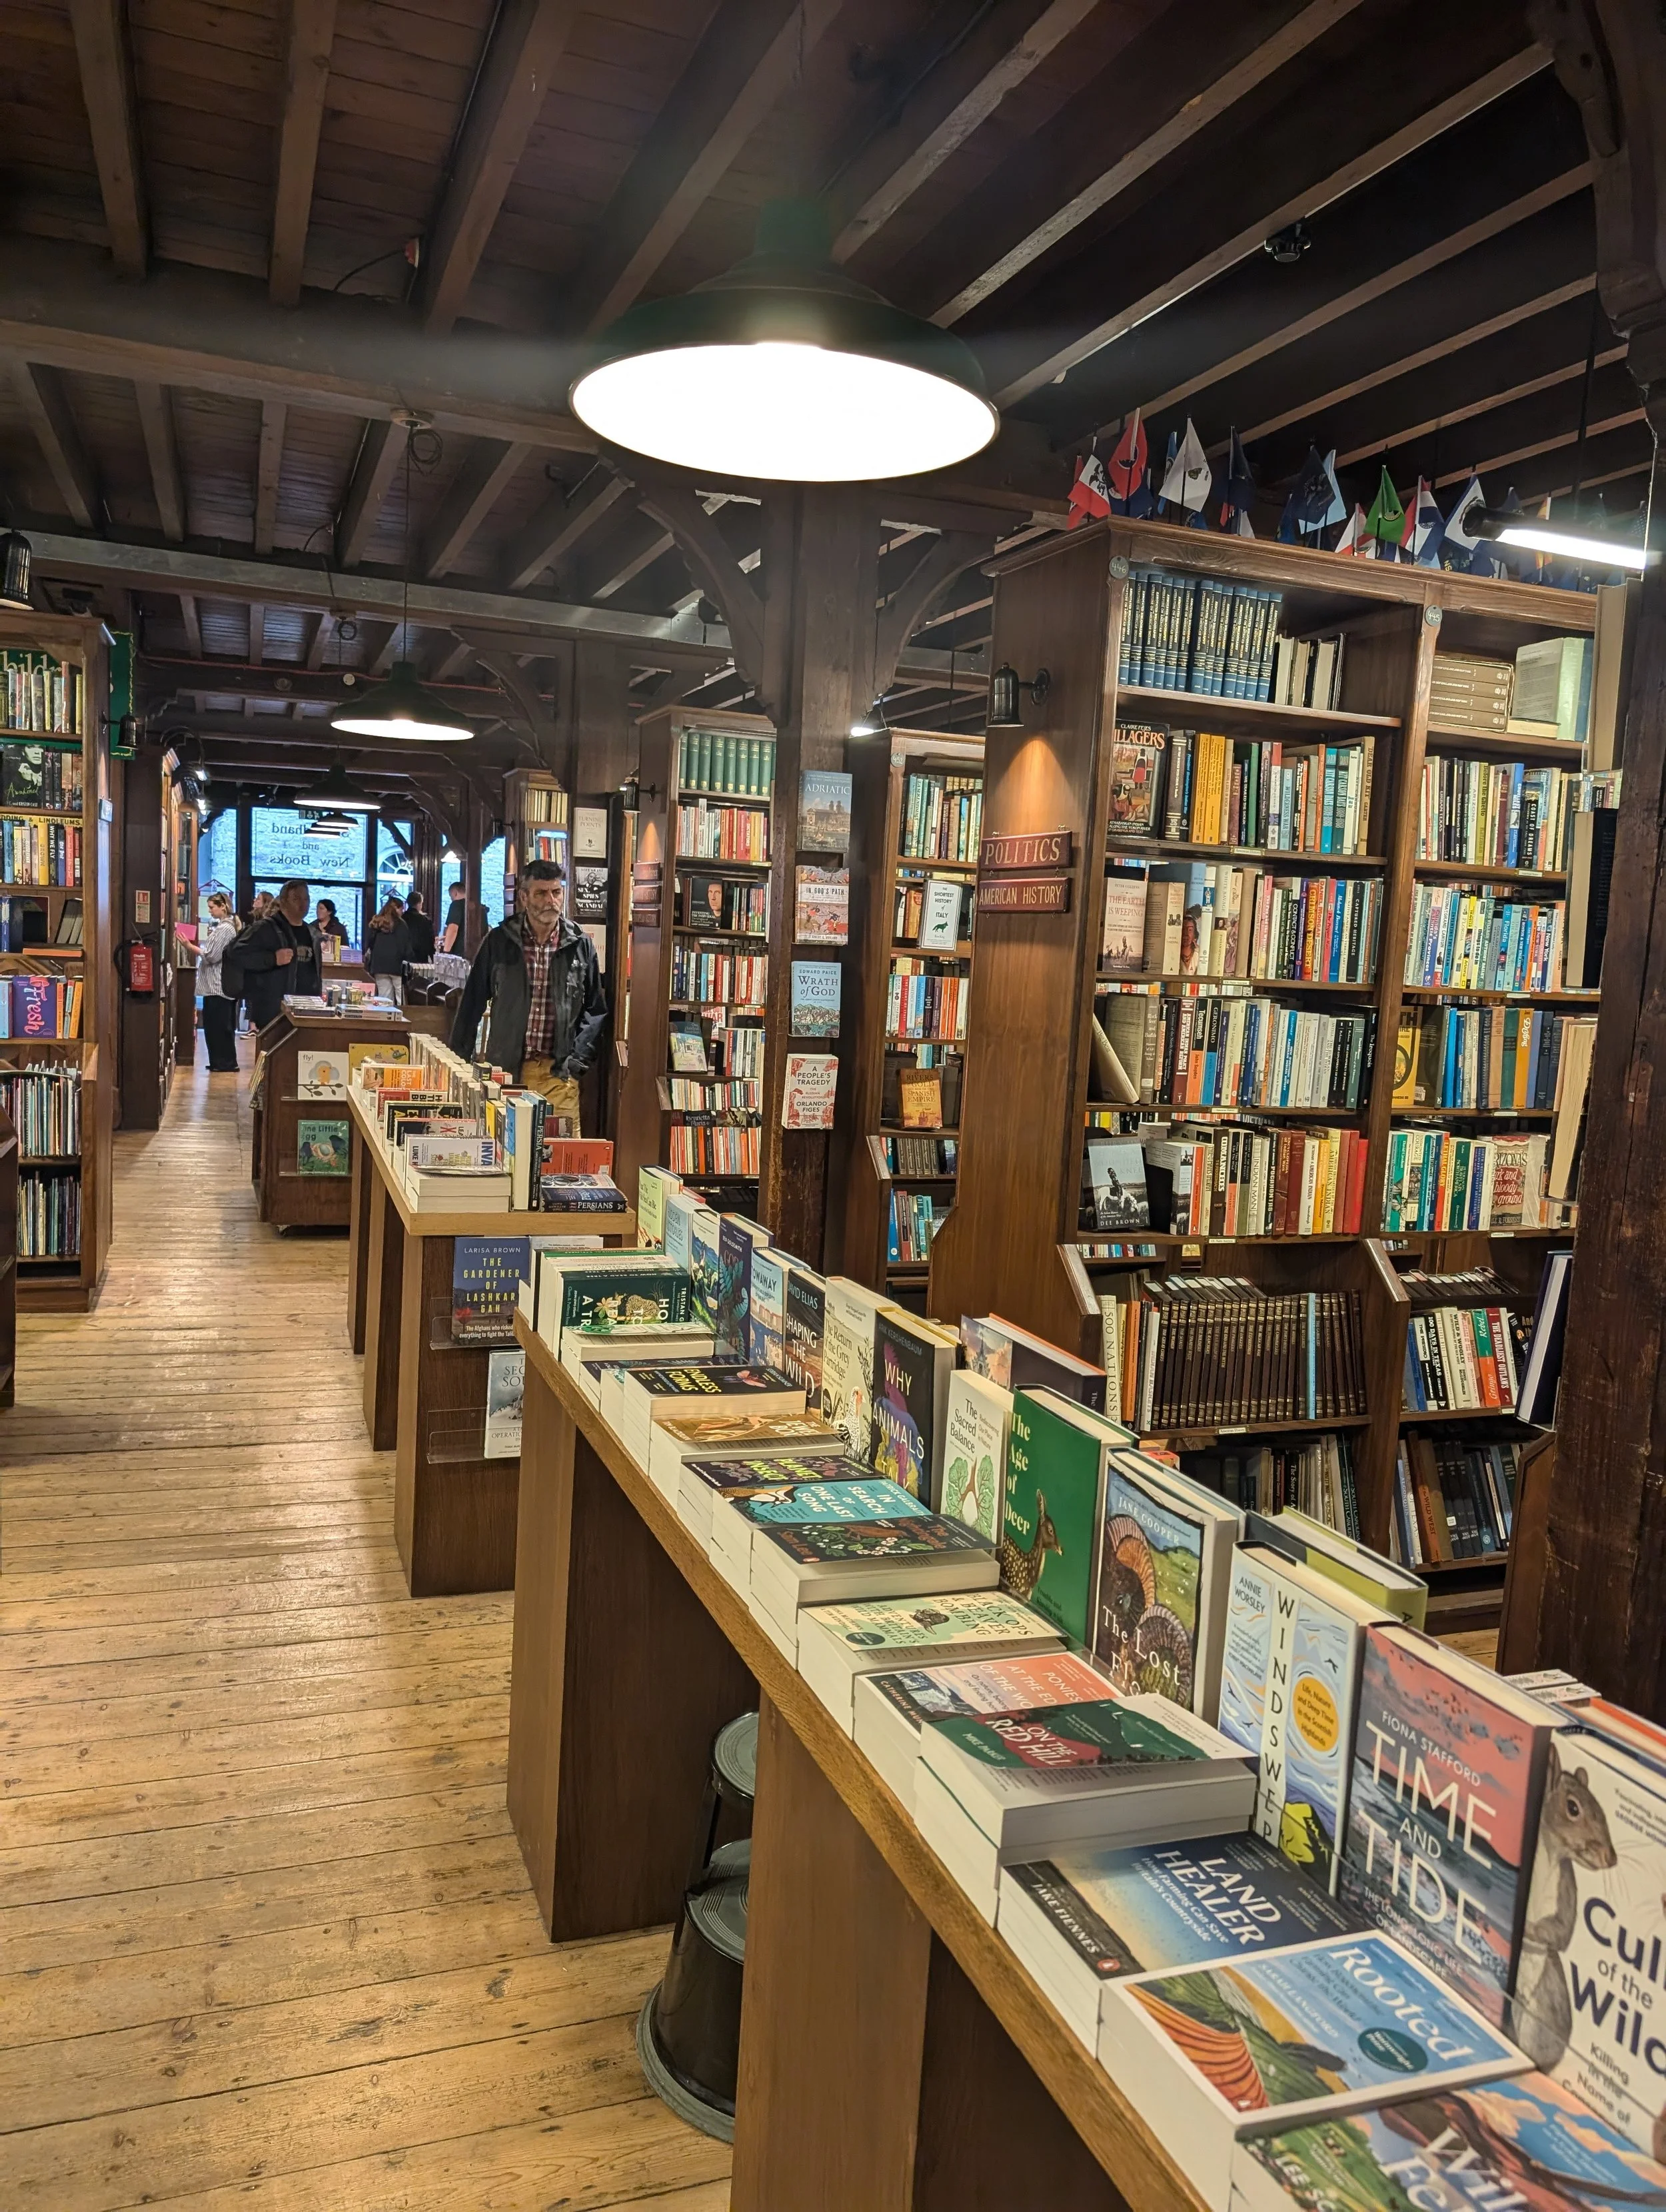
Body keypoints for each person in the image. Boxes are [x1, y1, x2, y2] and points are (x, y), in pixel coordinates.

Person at [450, 859, 606, 1125]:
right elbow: (472, 1003)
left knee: (561, 1158)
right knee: (503, 1152)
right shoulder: (500, 941)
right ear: (523, 897)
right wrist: (459, 1061)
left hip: (559, 1074)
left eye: (556, 892)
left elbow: (595, 1009)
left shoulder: (580, 945)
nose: (551, 901)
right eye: (541, 893)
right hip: (507, 1069)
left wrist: (578, 1061)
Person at [239, 879, 325, 1029]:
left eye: (307, 899)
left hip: (307, 1011)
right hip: (274, 1011)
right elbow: (237, 953)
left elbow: (314, 972)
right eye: (297, 899)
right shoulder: (265, 928)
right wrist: (272, 959)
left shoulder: (313, 934)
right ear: (283, 902)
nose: (303, 904)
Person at [196, 891, 241, 1073]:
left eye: (212, 907)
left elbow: (212, 956)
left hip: (218, 985)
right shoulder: (224, 927)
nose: (210, 911)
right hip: (217, 985)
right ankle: (219, 1061)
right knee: (217, 1026)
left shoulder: (225, 929)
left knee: (218, 1026)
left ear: (223, 906)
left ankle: (224, 1063)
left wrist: (192, 948)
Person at [365, 897, 411, 1005]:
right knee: (401, 998)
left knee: (384, 999)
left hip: (379, 965)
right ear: (397, 909)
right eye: (401, 909)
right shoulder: (401, 924)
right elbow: (405, 945)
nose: (402, 912)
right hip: (397, 965)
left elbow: (369, 943)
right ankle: (402, 1019)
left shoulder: (376, 922)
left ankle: (386, 1020)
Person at [403, 888, 435, 965]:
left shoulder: (401, 918)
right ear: (419, 904)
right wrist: (433, 958)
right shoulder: (426, 921)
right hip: (420, 958)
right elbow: (430, 941)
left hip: (403, 957)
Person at [440, 883, 466, 954]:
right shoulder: (478, 908)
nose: (451, 899)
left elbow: (453, 929)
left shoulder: (456, 905)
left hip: (459, 953)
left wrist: (446, 952)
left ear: (455, 893)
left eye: (450, 896)